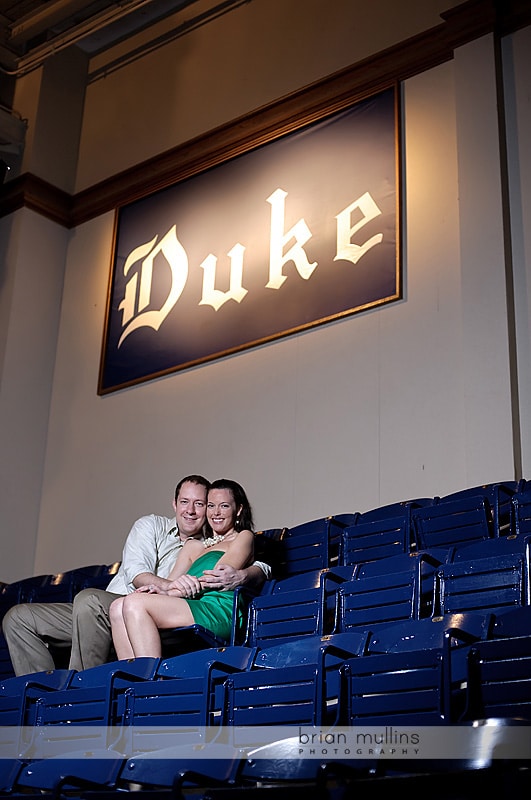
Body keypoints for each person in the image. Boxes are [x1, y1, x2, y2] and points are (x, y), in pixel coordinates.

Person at [2, 475, 270, 675]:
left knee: (97, 601)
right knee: (17, 617)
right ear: (174, 504)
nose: (193, 510)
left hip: (157, 607)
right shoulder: (157, 529)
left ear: (237, 509)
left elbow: (251, 565)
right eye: (186, 502)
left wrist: (249, 573)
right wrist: (168, 588)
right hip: (124, 603)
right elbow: (138, 575)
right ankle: (47, 697)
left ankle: (83, 690)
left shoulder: (223, 540)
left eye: (201, 504)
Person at [110, 478, 255, 659]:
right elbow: (170, 584)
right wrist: (158, 589)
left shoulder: (242, 537)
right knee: (117, 606)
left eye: (224, 506)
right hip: (193, 604)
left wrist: (174, 592)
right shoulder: (194, 546)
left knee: (134, 603)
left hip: (218, 608)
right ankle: (135, 681)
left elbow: (218, 577)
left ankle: (152, 683)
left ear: (238, 509)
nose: (216, 512)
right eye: (211, 506)